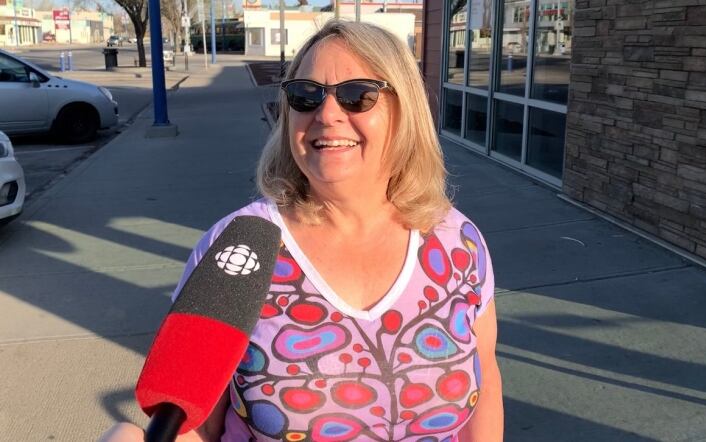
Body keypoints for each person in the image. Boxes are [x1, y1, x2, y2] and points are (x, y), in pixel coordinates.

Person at [100, 19, 503, 442]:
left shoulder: (459, 242)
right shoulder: (237, 250)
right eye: (306, 95)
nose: (327, 114)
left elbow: (486, 382)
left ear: (405, 110)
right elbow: (198, 427)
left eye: (357, 95)